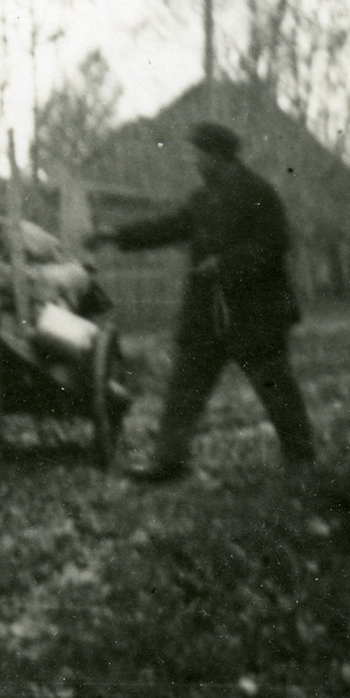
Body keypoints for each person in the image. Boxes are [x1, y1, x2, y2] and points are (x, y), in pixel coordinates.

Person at [87, 120, 314, 483]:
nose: (193, 162)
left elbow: (274, 244)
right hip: (207, 314)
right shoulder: (203, 199)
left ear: (217, 156)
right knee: (184, 387)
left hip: (256, 312)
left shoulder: (259, 191)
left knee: (275, 388)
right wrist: (117, 235)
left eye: (198, 154)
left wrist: (226, 263)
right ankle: (168, 462)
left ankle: (302, 461)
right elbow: (170, 226)